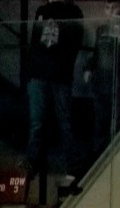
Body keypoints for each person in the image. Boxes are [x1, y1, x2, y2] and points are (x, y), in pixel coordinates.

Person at [23, 0, 87, 190]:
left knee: (64, 122)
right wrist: (30, 72)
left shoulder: (73, 12)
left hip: (59, 76)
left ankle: (73, 166)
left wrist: (62, 67)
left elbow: (74, 43)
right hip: (39, 74)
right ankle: (32, 161)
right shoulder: (42, 10)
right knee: (37, 121)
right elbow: (34, 41)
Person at [86, 0, 120, 156]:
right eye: (108, 7)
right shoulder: (101, 29)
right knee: (100, 122)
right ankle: (98, 159)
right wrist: (89, 68)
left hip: (119, 81)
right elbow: (96, 52)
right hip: (101, 81)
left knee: (118, 122)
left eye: (115, 7)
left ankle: (118, 155)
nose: (111, 11)